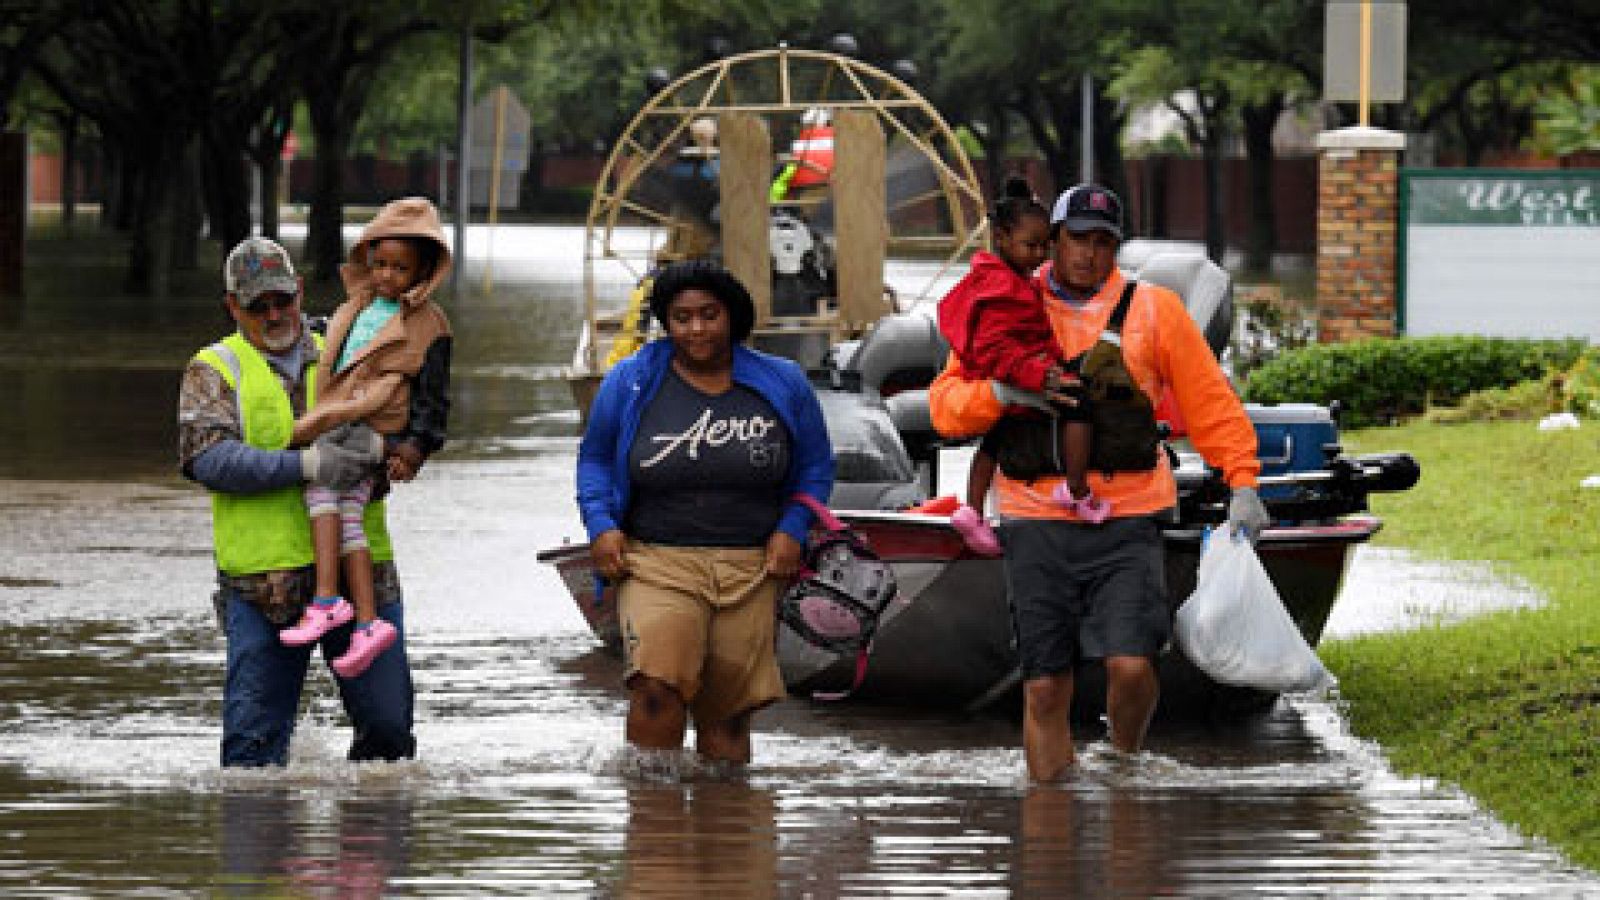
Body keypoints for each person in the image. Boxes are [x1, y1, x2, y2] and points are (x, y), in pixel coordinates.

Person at [928, 184, 1270, 781]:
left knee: (1132, 667)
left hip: (1129, 515)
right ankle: (1051, 821)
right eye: (1076, 239)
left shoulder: (1155, 309)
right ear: (1051, 241)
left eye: (1104, 242)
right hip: (1033, 519)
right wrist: (1001, 392)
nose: (1089, 254)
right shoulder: (1006, 304)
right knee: (1045, 687)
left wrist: (1243, 484)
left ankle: (1123, 764)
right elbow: (945, 406)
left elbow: (1211, 403)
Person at [576, 260, 834, 766]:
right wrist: (601, 526)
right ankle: (655, 827)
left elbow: (816, 468)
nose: (696, 329)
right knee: (655, 690)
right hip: (655, 560)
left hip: (753, 566)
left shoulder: (782, 382)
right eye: (682, 317)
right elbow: (596, 460)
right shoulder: (631, 381)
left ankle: (728, 829)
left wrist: (792, 529)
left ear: (732, 317)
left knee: (730, 712)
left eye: (709, 315)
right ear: (666, 323)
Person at [177, 236, 422, 767]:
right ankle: (265, 845)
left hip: (363, 584)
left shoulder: (351, 346)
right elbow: (208, 460)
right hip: (264, 590)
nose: (273, 313)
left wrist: (404, 454)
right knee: (252, 760)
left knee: (390, 745)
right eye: (257, 305)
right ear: (232, 307)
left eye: (282, 299)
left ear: (300, 291)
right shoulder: (214, 369)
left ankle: (370, 846)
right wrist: (306, 466)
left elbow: (406, 409)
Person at [279, 197, 454, 680]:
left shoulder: (430, 326)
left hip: (372, 424)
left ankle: (328, 599)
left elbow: (433, 397)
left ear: (423, 272)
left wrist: (416, 447)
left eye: (400, 268)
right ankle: (368, 623)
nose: (386, 276)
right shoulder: (353, 307)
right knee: (350, 517)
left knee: (319, 487)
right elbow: (336, 350)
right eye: (378, 264)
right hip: (346, 420)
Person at [937, 177, 1107, 559]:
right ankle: (1077, 488)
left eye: (1045, 246)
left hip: (1017, 378)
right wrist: (1032, 377)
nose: (1038, 256)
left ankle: (973, 511)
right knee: (1079, 405)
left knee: (994, 442)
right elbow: (995, 347)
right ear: (1001, 238)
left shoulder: (999, 281)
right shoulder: (1003, 287)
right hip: (1024, 377)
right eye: (1031, 246)